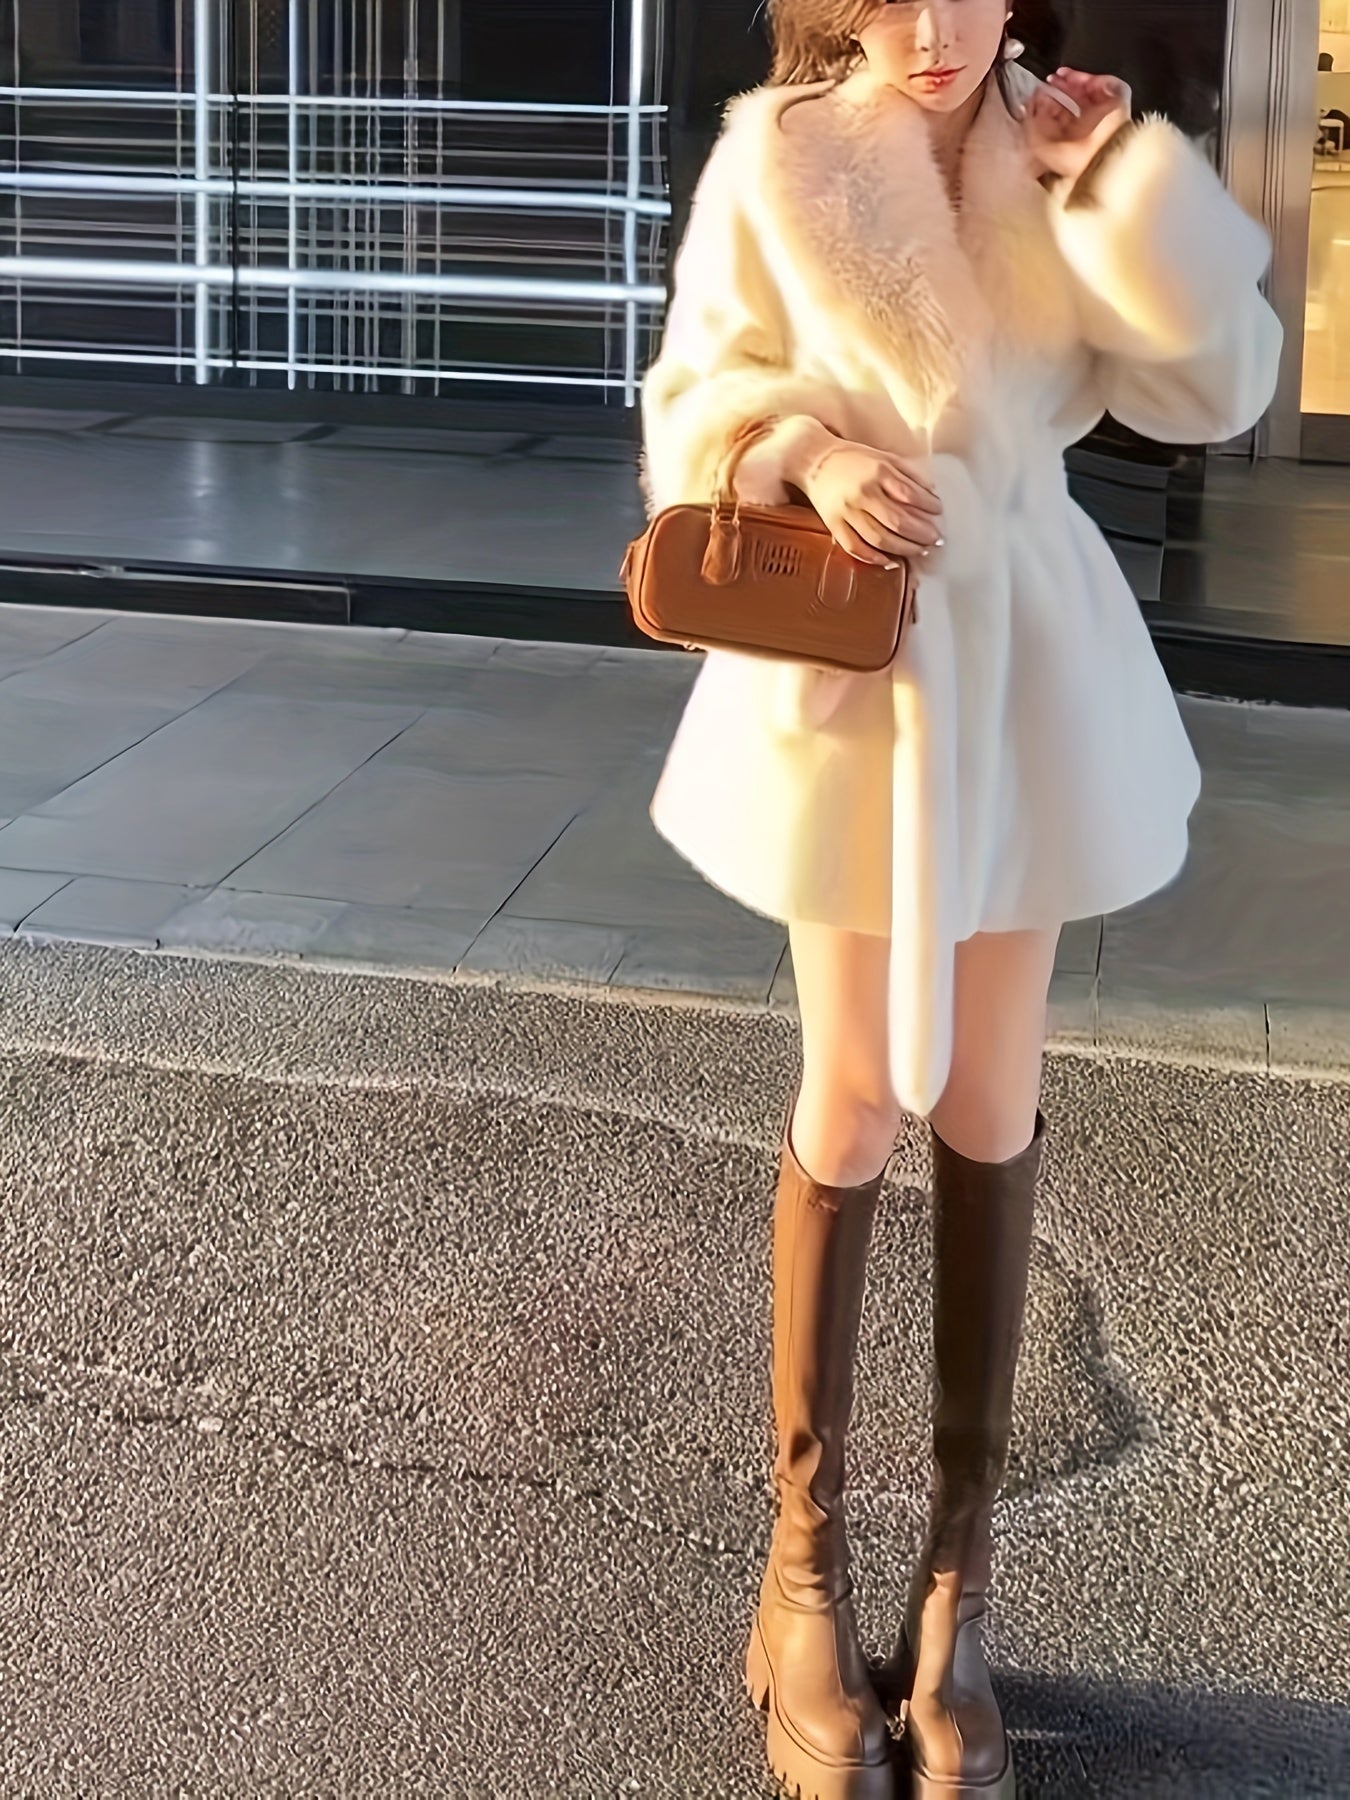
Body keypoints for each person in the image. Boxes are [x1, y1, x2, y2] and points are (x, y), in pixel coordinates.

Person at [637, 3, 1283, 1797]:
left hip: (1025, 674)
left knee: (991, 1103)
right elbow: (694, 395)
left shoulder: (1069, 142)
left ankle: (955, 1595)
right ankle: (800, 1575)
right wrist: (805, 457)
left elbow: (1215, 392)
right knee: (852, 1095)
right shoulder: (778, 154)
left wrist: (1116, 186)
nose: (927, 31)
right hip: (857, 675)